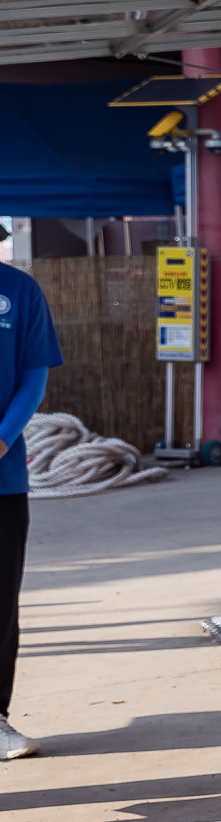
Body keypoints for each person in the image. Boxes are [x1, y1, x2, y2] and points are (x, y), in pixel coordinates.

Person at [0, 239, 60, 763]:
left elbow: (33, 378)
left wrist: (1, 438)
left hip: (2, 478)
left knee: (0, 600)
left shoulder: (19, 293)